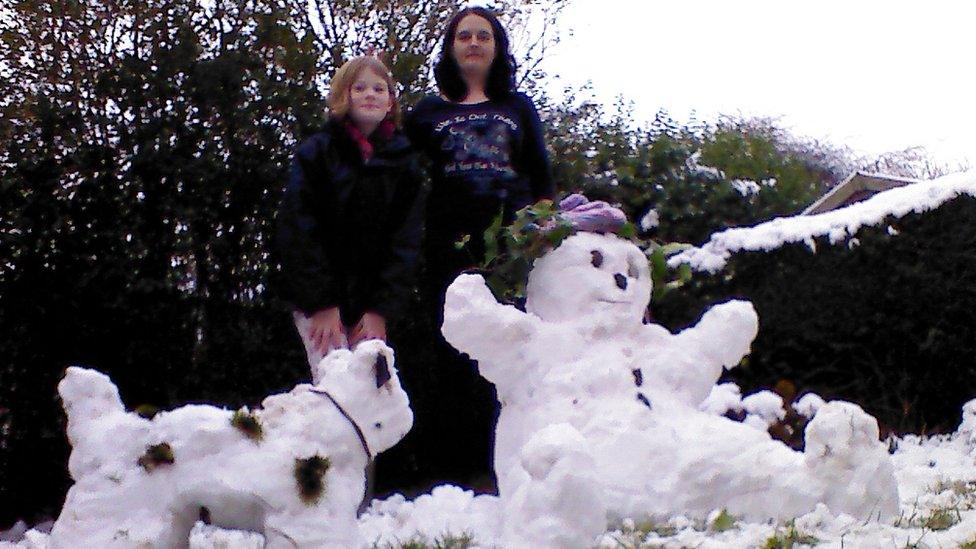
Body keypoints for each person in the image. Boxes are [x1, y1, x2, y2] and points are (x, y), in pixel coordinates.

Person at [402, 6, 554, 491]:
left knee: (507, 350)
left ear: (496, 46)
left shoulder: (517, 107)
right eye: (464, 35)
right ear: (450, 47)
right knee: (450, 350)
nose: (473, 43)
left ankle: (502, 467)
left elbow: (541, 177)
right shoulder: (429, 112)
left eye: (483, 36)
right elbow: (397, 168)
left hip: (508, 251)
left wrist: (541, 233)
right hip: (447, 247)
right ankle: (447, 469)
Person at [276, 55, 426, 369]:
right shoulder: (316, 153)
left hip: (370, 308)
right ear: (343, 96)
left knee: (370, 385)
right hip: (320, 304)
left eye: (379, 88)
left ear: (390, 102)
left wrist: (380, 310)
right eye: (360, 88)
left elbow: (405, 240)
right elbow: (300, 230)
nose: (370, 94)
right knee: (334, 382)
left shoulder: (405, 164)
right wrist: (322, 303)